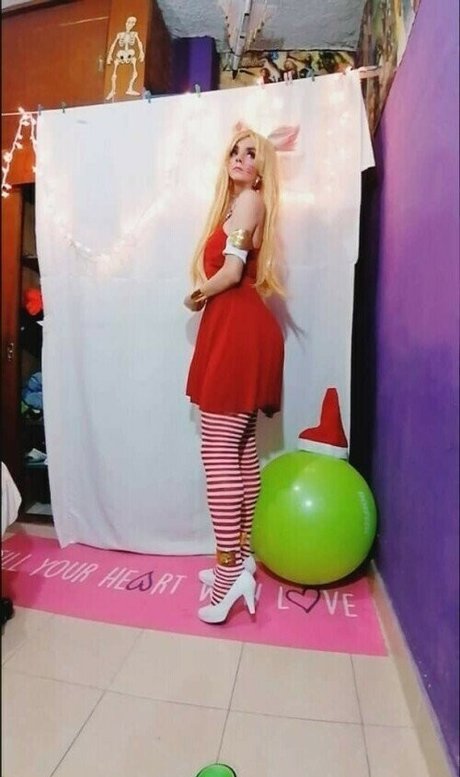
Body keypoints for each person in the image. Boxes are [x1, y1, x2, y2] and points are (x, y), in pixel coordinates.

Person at [184, 124, 297, 624]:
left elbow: (230, 273)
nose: (240, 158)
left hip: (238, 331)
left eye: (252, 154)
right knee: (240, 451)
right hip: (241, 329)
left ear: (261, 169)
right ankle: (242, 560)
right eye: (235, 150)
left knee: (218, 454)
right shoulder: (240, 205)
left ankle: (227, 572)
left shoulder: (249, 201)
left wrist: (195, 296)